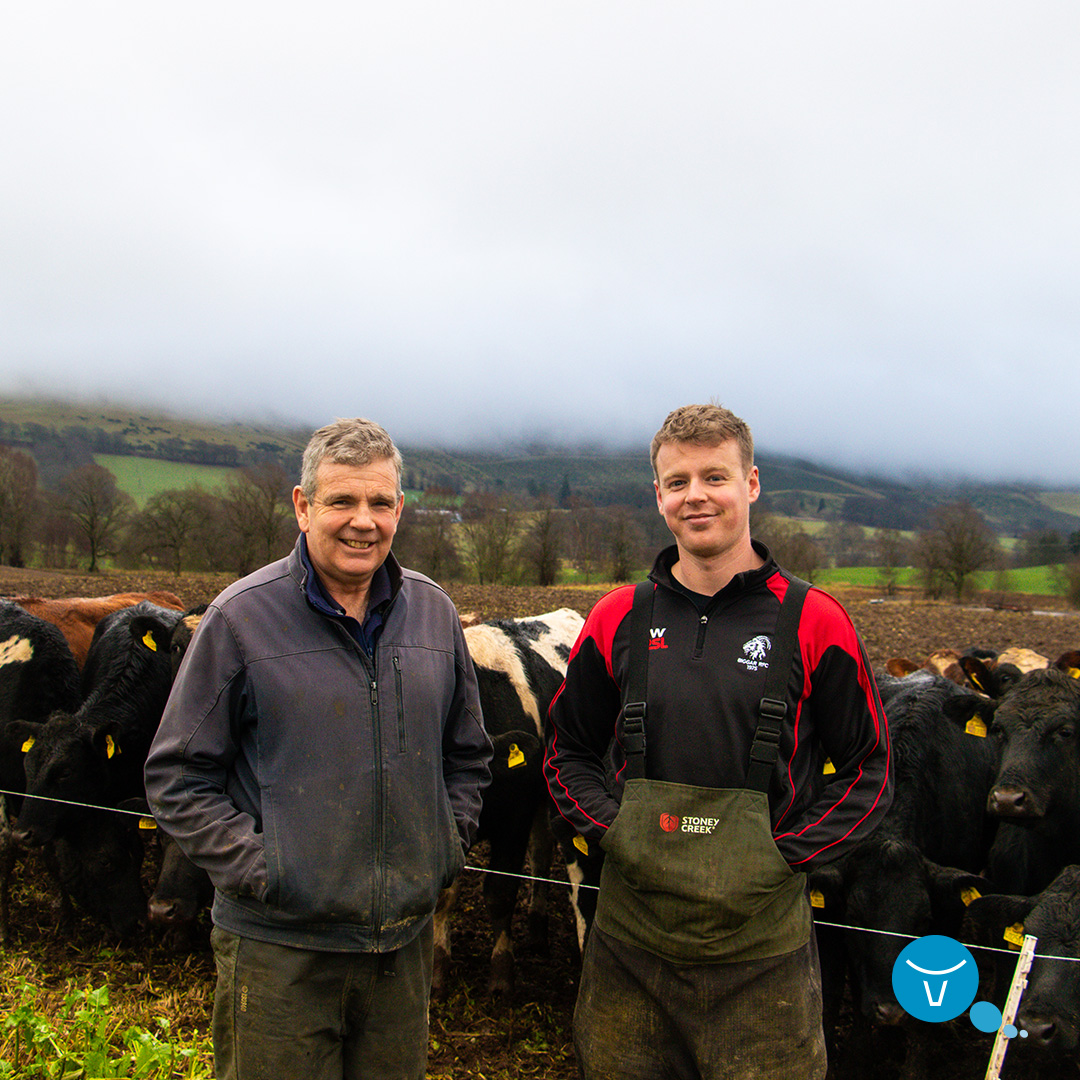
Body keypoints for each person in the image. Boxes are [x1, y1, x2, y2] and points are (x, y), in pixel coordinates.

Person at [543, 403, 893, 1080]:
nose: (695, 495)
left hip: (761, 961)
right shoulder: (617, 616)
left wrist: (783, 857)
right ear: (658, 496)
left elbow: (869, 768)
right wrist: (614, 832)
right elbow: (567, 752)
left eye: (715, 477)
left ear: (751, 484)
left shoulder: (816, 620)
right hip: (628, 953)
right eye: (677, 482)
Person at [144, 417, 492, 1080]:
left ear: (399, 508)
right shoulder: (240, 619)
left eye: (380, 503)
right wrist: (267, 870)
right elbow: (176, 777)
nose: (363, 521)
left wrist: (441, 846)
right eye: (342, 501)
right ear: (303, 507)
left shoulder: (434, 614)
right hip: (281, 955)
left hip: (401, 953)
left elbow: (468, 755)